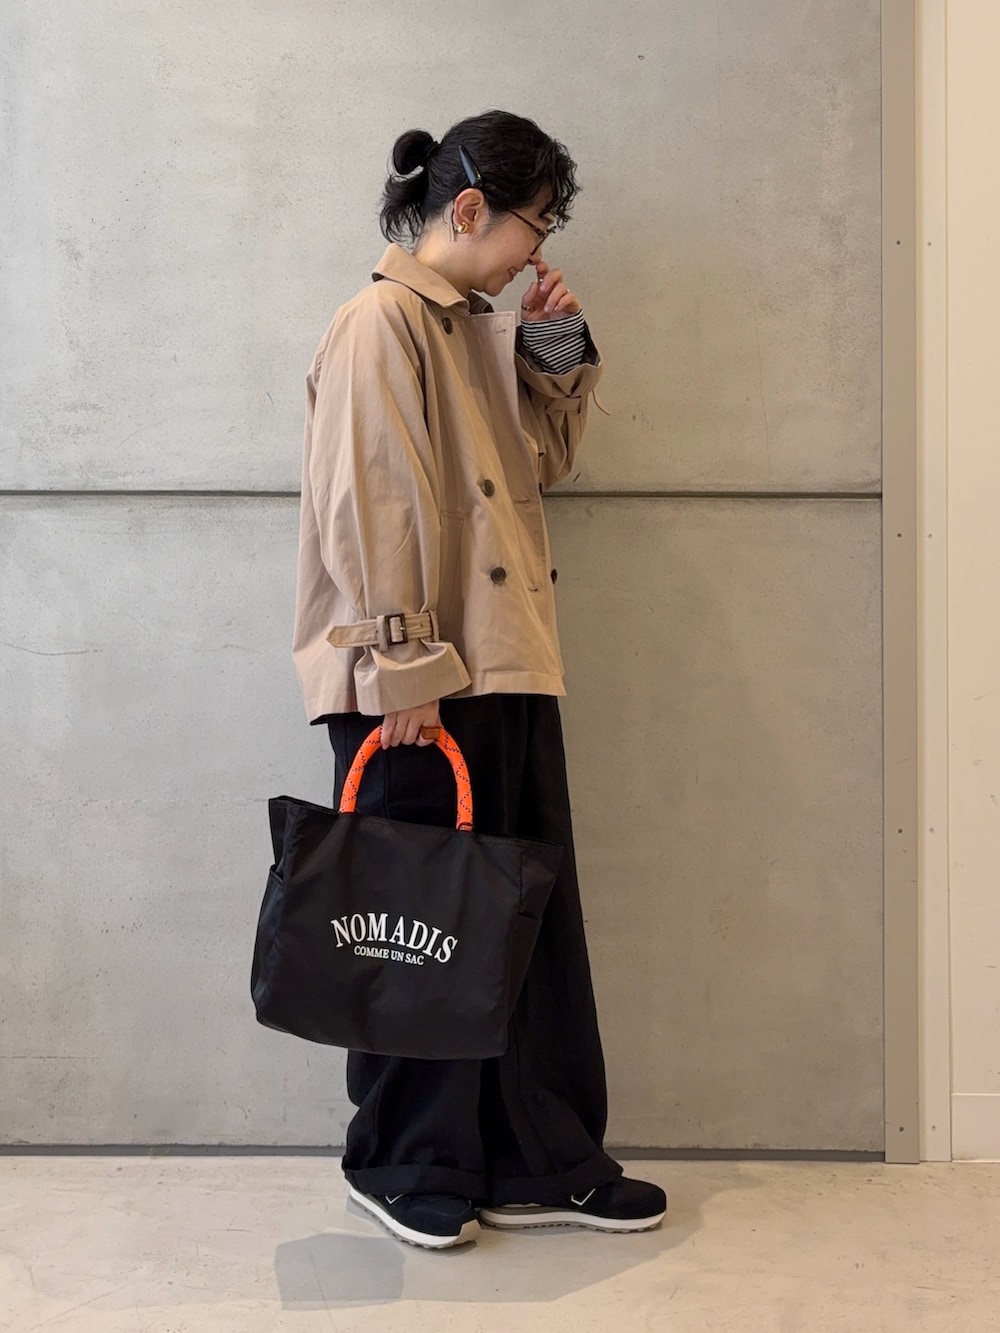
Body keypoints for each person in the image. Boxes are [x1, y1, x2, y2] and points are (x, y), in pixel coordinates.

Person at [292, 109, 666, 1250]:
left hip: (503, 662)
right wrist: (403, 666)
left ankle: (534, 1156)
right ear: (467, 208)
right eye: (532, 226)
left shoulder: (471, 331)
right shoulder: (379, 323)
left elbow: (542, 465)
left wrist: (551, 345)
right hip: (419, 680)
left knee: (517, 925)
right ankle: (406, 1159)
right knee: (415, 932)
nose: (534, 252)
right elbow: (370, 504)